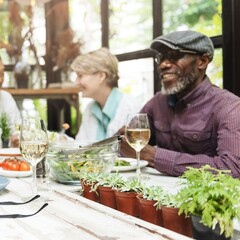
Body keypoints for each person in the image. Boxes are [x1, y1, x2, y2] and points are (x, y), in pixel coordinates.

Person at [119, 30, 240, 178]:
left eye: (174, 56)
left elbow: (233, 168)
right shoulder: (157, 102)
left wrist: (153, 156)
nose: (163, 64)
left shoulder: (229, 107)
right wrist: (122, 142)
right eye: (160, 57)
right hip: (156, 195)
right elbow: (125, 146)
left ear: (202, 61)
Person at [71, 47, 142, 146]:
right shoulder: (90, 109)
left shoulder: (131, 107)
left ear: (101, 76)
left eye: (80, 75)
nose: (76, 82)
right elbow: (80, 147)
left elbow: (134, 153)